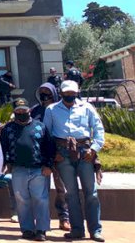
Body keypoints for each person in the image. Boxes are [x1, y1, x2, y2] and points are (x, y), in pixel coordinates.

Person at [43, 81, 105, 242]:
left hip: (85, 152)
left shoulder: (87, 107)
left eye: (72, 93)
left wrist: (94, 149)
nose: (69, 96)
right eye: (66, 93)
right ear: (61, 93)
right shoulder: (51, 109)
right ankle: (77, 229)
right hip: (62, 153)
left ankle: (95, 230)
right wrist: (53, 153)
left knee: (91, 192)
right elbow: (46, 134)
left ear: (77, 93)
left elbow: (98, 128)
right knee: (71, 193)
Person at [0, 98, 55, 241]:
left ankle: (41, 230)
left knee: (41, 199)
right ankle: (27, 229)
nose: (21, 113)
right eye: (18, 111)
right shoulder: (8, 129)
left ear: (29, 110)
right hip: (18, 169)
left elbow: (49, 147)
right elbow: (3, 148)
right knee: (22, 200)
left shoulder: (40, 127)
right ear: (14, 112)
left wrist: (49, 165)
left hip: (38, 169)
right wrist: (6, 163)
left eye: (23, 110)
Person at [32, 83, 71, 231]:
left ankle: (64, 218)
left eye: (47, 92)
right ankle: (42, 221)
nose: (44, 95)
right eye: (41, 92)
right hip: (41, 155)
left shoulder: (58, 109)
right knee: (41, 190)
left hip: (59, 154)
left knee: (62, 188)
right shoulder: (34, 111)